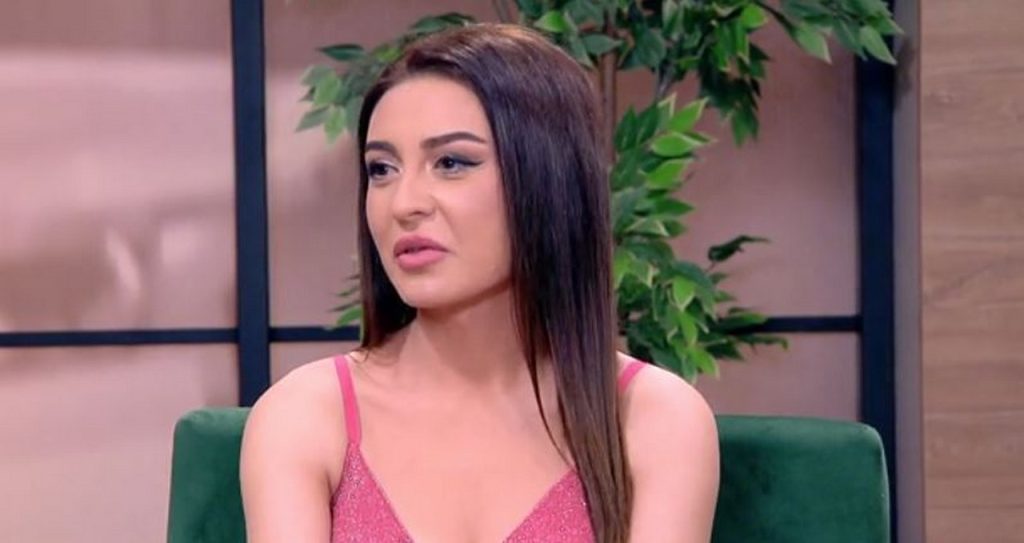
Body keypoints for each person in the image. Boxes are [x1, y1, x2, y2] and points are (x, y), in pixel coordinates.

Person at [240, 23, 719, 543]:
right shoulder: (306, 415)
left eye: (451, 163)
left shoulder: (655, 418)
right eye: (382, 169)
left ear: (548, 179)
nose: (404, 204)